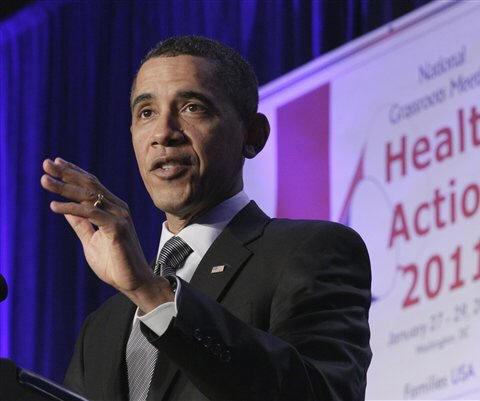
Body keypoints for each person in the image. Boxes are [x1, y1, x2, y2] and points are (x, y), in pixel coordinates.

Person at [41, 35, 372, 401]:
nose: (163, 133)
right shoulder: (100, 329)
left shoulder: (311, 252)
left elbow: (320, 394)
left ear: (253, 135)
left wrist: (151, 293)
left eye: (192, 107)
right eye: (146, 113)